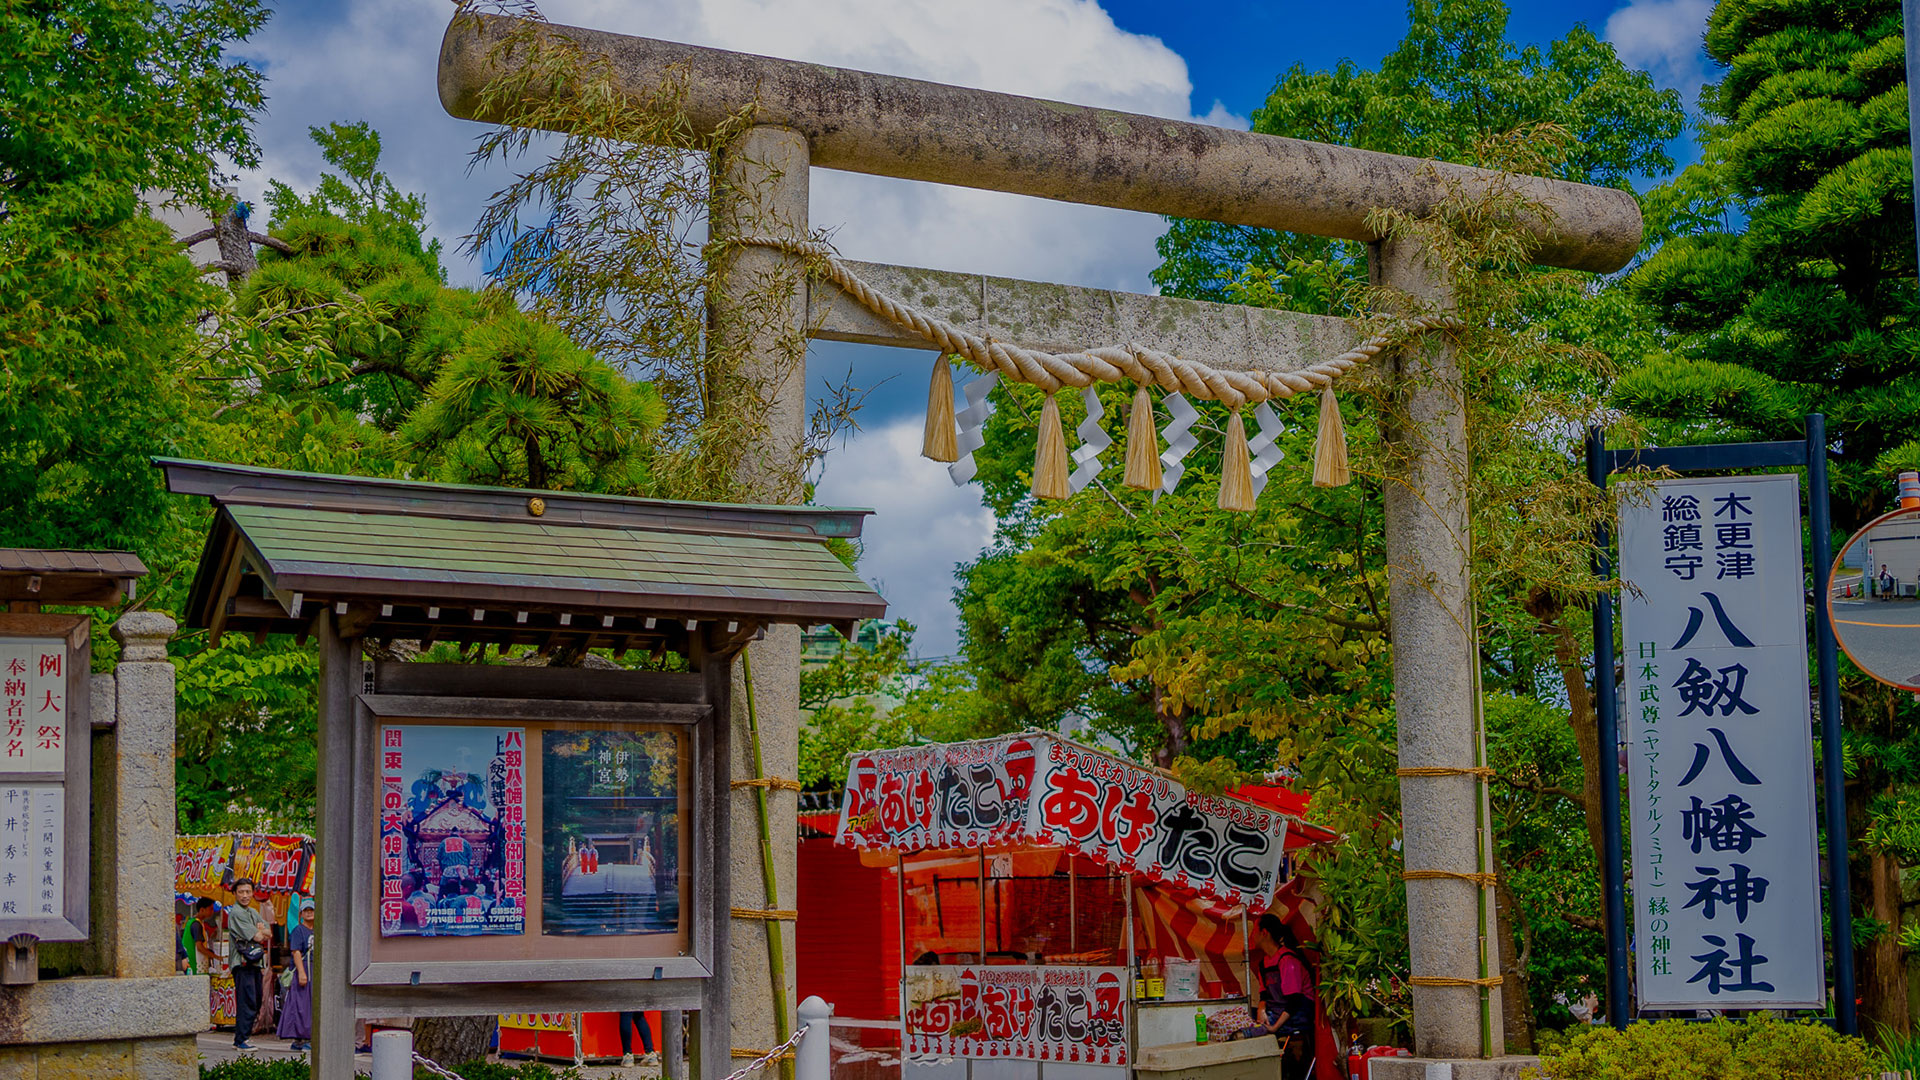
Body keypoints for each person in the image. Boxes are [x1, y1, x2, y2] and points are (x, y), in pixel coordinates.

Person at [1253, 913, 1316, 1080]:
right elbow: (1264, 993)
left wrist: (1274, 1027)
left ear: (1264, 932)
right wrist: (1261, 1010)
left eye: (1254, 930)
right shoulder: (1263, 963)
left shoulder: (1287, 960)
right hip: (1277, 1011)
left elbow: (1294, 1001)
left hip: (1297, 1014)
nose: (1252, 935)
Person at [226, 878, 271, 1052]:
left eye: (248, 892)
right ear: (235, 894)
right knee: (247, 1000)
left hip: (254, 963)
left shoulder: (252, 911)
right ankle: (241, 1039)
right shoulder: (236, 913)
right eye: (241, 892)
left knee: (256, 998)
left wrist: (260, 931)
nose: (245, 895)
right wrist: (259, 931)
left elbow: (269, 933)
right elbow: (259, 937)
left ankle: (244, 1037)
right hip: (242, 963)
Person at [277, 900, 315, 1051]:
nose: (308, 912)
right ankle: (303, 1038)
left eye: (311, 910)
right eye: (305, 910)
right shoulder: (298, 931)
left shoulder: (318, 930)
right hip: (304, 970)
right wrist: (301, 973)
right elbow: (296, 952)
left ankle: (303, 1038)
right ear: (301, 914)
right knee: (301, 1006)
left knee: (310, 1005)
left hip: (314, 969)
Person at [188, 897, 220, 974]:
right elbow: (199, 947)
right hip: (196, 963)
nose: (212, 912)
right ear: (202, 910)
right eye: (210, 909)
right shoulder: (196, 924)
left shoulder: (194, 922)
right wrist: (216, 957)